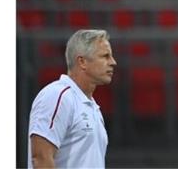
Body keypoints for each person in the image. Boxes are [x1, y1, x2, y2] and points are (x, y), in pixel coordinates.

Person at [27, 29, 116, 168]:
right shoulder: (58, 95)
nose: (113, 62)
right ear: (82, 62)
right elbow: (40, 158)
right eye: (105, 56)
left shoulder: (92, 107)